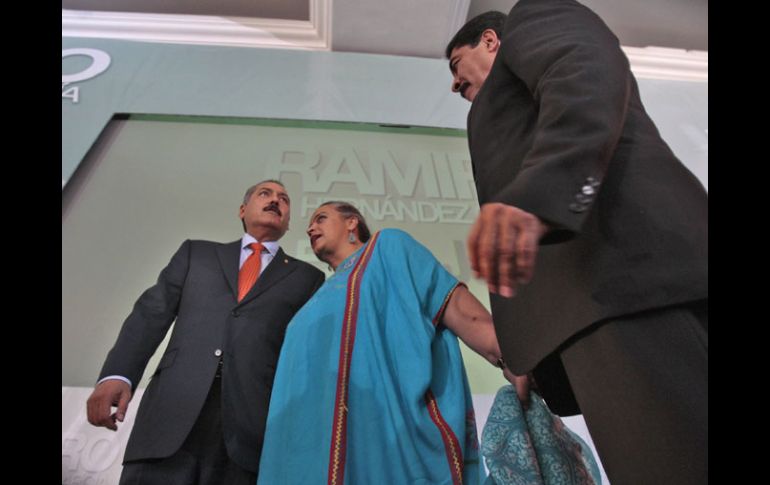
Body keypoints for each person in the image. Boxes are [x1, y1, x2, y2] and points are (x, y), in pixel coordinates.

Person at [445, 2, 707, 484]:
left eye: (457, 64)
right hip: (588, 316)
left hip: (628, 285)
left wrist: (538, 196)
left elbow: (585, 74)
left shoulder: (531, 18)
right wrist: (526, 352)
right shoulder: (493, 113)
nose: (454, 84)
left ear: (490, 41)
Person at [257, 202, 526, 485]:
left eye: (321, 218)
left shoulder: (387, 248)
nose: (311, 228)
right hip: (311, 456)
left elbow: (456, 307)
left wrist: (510, 358)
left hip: (389, 441)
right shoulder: (316, 299)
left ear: (352, 223)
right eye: (310, 224)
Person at [86, 180, 325, 485]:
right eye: (265, 194)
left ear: (288, 222)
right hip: (171, 414)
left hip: (249, 431)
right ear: (242, 210)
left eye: (284, 199)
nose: (275, 200)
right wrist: (117, 375)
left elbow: (306, 356)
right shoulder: (196, 254)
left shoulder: (307, 277)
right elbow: (150, 315)